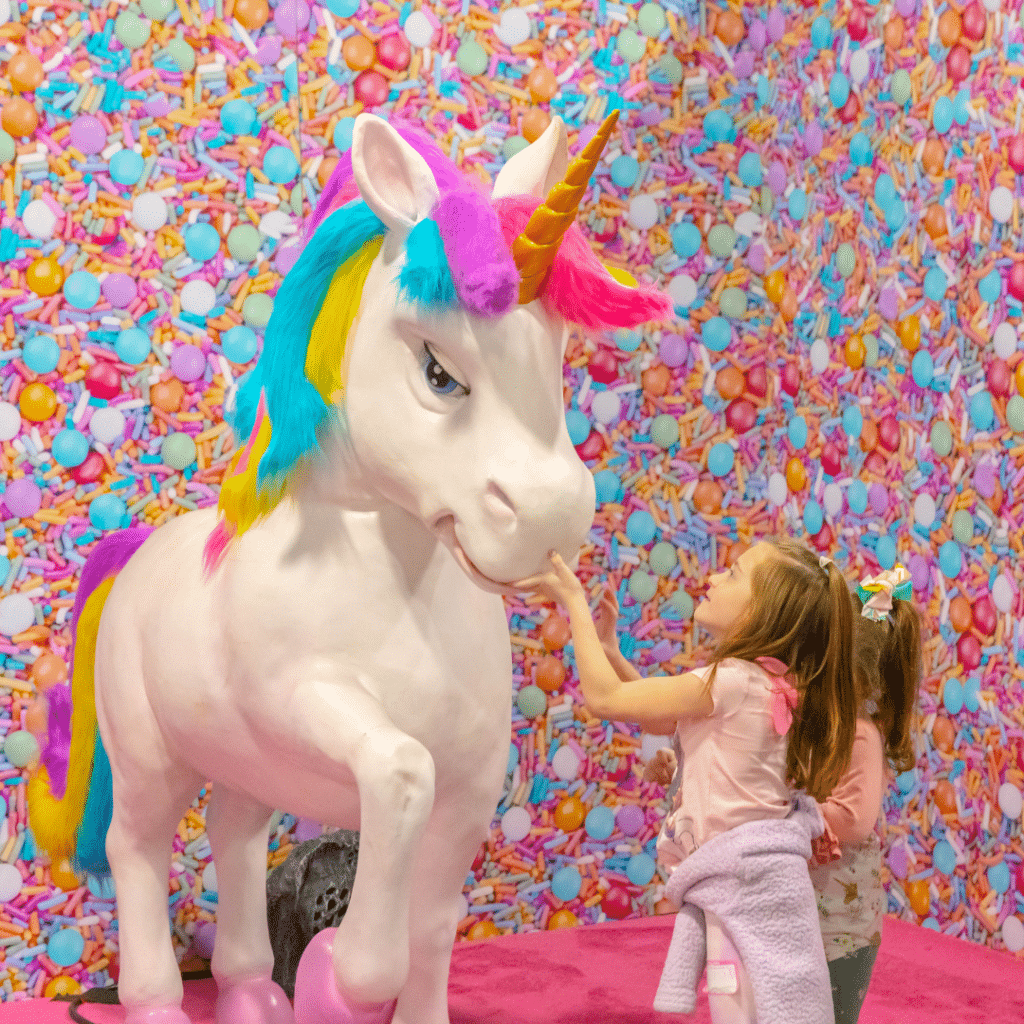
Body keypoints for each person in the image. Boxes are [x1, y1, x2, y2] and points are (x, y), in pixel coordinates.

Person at [518, 538, 859, 1024]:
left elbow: (607, 699)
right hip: (755, 880)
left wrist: (572, 599)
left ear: (764, 614)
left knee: (741, 1006)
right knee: (766, 1001)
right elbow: (661, 718)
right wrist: (613, 651)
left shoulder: (731, 681)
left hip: (742, 881)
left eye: (735, 574)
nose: (715, 578)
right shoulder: (762, 684)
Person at [644, 563, 922, 1024]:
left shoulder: (859, 733)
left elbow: (854, 818)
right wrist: (687, 770)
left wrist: (789, 821)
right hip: (777, 907)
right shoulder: (793, 710)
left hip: (837, 923)